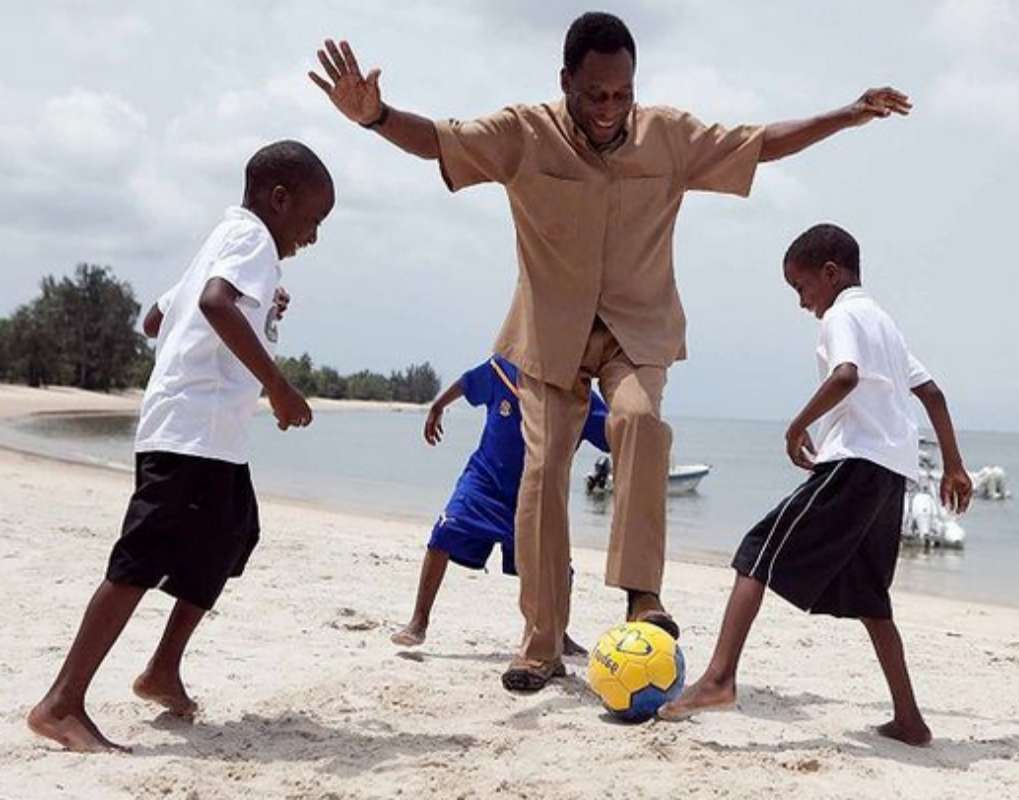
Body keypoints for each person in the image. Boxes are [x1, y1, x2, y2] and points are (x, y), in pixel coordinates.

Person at [310, 11, 912, 691]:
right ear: (566, 81)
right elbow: (440, 141)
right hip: (547, 334)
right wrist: (374, 116)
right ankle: (539, 645)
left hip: (637, 328)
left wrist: (845, 115)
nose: (608, 108)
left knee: (640, 422)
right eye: (594, 94)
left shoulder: (669, 136)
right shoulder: (522, 133)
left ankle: (640, 594)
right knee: (540, 477)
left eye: (621, 94)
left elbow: (760, 142)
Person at [27, 140, 335, 753]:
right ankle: (61, 702)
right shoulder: (253, 241)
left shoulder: (225, 238)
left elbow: (154, 320)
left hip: (211, 439)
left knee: (231, 534)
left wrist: (257, 307)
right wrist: (278, 388)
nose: (313, 236)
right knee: (141, 559)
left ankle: (162, 668)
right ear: (280, 200)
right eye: (313, 219)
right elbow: (215, 303)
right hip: (189, 434)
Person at [658, 224, 973, 747]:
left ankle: (717, 680)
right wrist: (955, 466)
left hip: (853, 463)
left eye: (801, 288)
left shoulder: (842, 315)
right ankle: (910, 721)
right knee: (872, 599)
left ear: (830, 274)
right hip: (893, 474)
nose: (802, 303)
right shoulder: (884, 323)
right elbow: (933, 393)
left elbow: (845, 375)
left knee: (756, 552)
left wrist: (796, 424)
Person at [392, 355, 609, 656]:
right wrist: (438, 405)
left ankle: (558, 632)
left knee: (556, 569)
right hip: (484, 479)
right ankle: (418, 621)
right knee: (443, 534)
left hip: (535, 494)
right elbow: (467, 383)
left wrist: (639, 424)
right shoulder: (502, 369)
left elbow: (615, 435)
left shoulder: (577, 393)